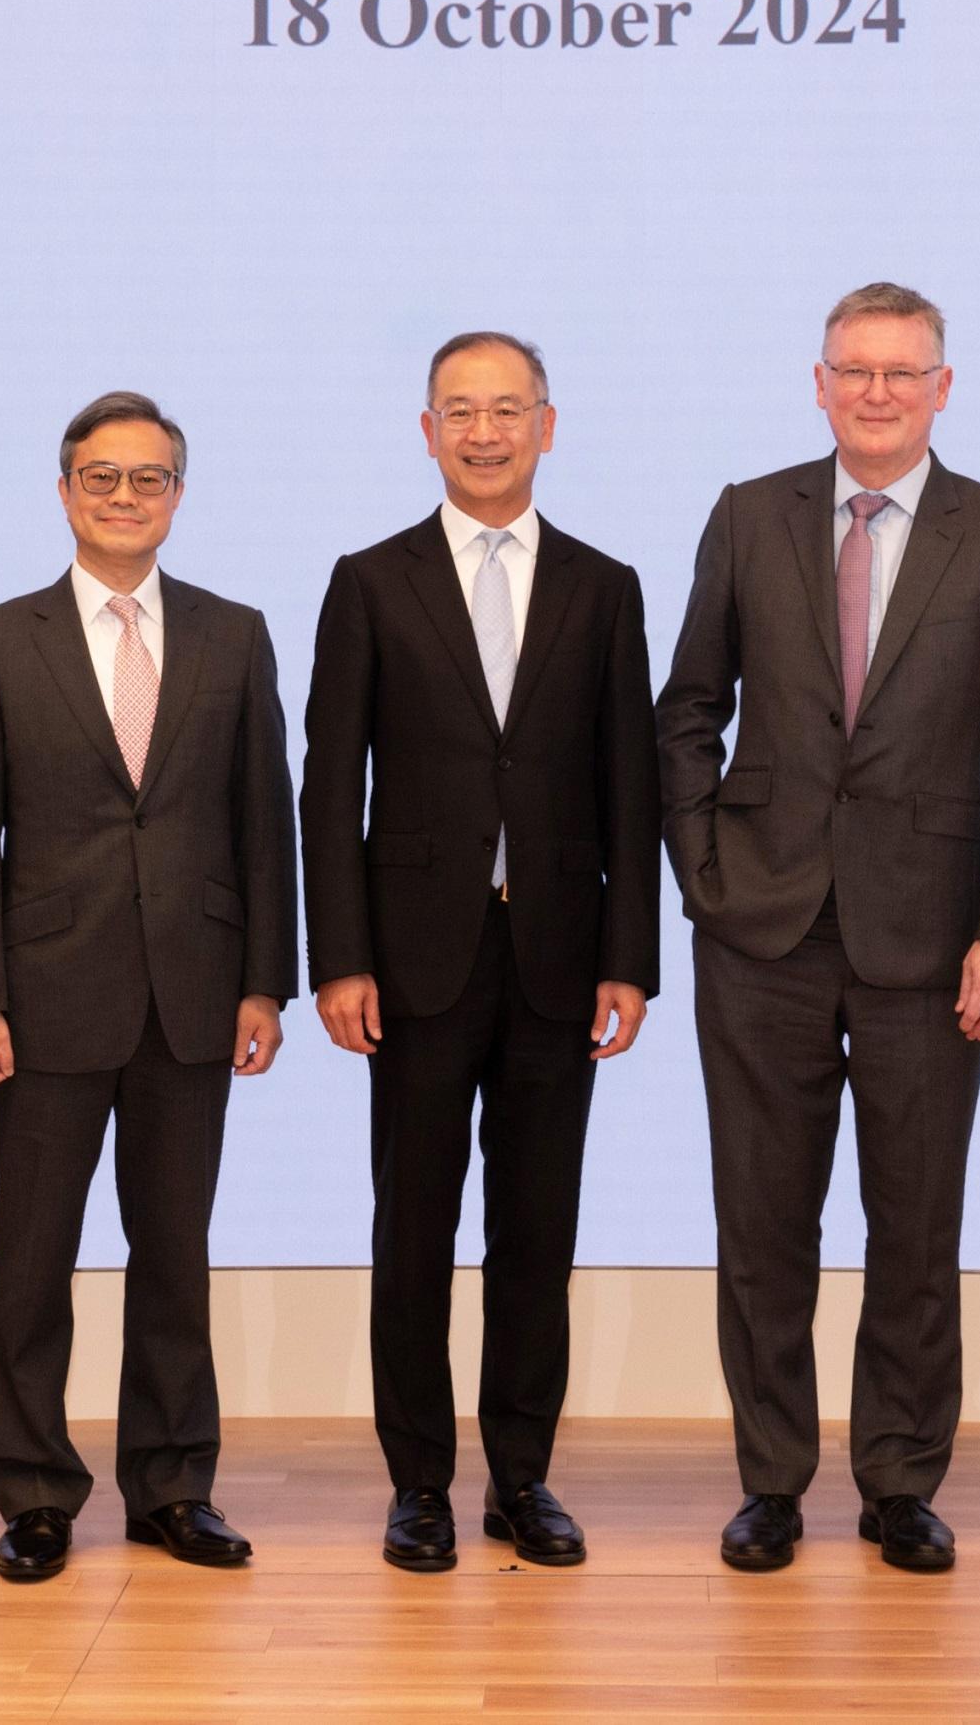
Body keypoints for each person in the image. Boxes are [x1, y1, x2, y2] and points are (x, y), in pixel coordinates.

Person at [656, 281, 980, 1576]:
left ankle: (899, 1481)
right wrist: (708, 877)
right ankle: (771, 1481)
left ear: (943, 386)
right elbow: (687, 712)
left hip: (935, 940)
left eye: (903, 371)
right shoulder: (748, 513)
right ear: (821, 382)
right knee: (763, 1223)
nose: (878, 390)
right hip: (760, 931)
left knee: (915, 1223)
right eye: (855, 369)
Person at [300, 331, 660, 1572]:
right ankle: (418, 1484)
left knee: (535, 1228)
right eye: (462, 409)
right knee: (412, 1225)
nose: (486, 430)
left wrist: (631, 956)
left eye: (509, 409)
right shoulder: (369, 579)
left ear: (547, 426)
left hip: (560, 957)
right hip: (409, 963)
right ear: (427, 428)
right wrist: (336, 957)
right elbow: (325, 784)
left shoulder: (605, 586)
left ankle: (521, 1477)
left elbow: (632, 789)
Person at [0, 391, 297, 1582]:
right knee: (29, 1256)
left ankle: (173, 1484)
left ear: (178, 497)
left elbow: (265, 821)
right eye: (103, 477)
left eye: (149, 478)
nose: (126, 497)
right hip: (38, 1000)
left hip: (194, 994)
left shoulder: (235, 633)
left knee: (174, 1252)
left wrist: (265, 982)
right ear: (64, 492)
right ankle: (35, 1493)